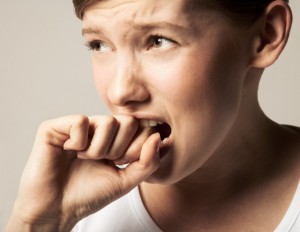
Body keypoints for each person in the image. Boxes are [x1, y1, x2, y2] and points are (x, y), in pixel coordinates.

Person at [5, 0, 300, 231]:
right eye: (99, 44)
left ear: (266, 35)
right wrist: (37, 225)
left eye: (159, 40)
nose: (120, 91)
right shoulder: (74, 210)